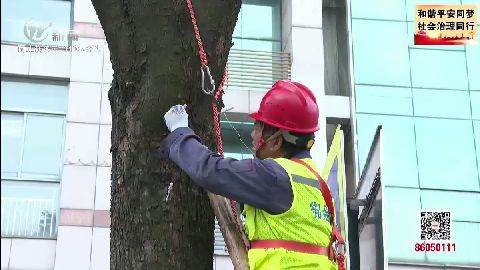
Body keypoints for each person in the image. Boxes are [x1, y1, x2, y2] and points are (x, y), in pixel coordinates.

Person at [159, 80, 341, 270]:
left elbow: (210, 170)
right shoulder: (318, 186)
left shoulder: (274, 176)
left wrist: (180, 132)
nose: (253, 135)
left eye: (258, 128)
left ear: (276, 142)